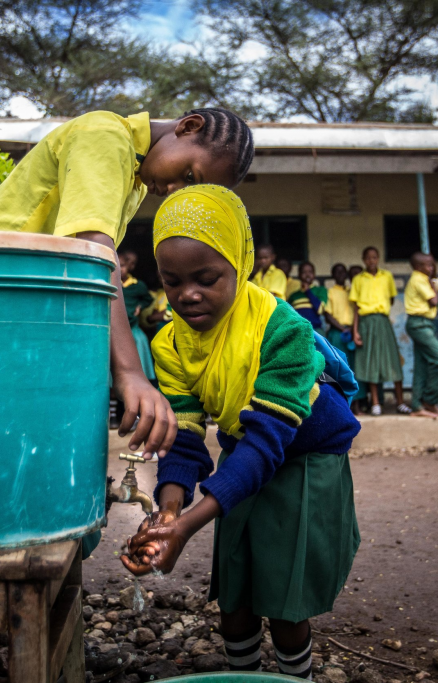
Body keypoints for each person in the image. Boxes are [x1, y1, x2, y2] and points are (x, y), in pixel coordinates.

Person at [121, 185, 361, 680]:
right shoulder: (170, 343)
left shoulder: (283, 329)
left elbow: (270, 437)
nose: (188, 294)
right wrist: (168, 512)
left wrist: (189, 525)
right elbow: (185, 437)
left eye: (207, 278)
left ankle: (297, 677)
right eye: (172, 281)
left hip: (305, 456)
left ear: (241, 265)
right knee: (235, 593)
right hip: (244, 448)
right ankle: (241, 674)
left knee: (285, 600)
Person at [0, 106, 255, 459]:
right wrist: (131, 372)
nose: (175, 190)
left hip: (18, 304)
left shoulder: (136, 175)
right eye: (189, 176)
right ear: (188, 127)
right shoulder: (106, 135)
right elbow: (95, 252)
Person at [350, 247, 406, 416]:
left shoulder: (386, 276)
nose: (371, 261)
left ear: (378, 258)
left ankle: (400, 402)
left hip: (382, 321)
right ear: (363, 259)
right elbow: (356, 307)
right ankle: (375, 403)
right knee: (371, 362)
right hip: (366, 323)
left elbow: (391, 298)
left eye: (374, 257)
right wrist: (355, 331)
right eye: (368, 258)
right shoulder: (358, 279)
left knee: (393, 360)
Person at [404, 252, 438, 418]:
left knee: (421, 366)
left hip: (423, 324)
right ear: (417, 267)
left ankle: (416, 406)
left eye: (432, 265)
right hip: (419, 324)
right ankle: (429, 400)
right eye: (428, 265)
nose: (431, 268)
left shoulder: (422, 278)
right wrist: (433, 285)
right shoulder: (418, 279)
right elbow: (434, 301)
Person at [323, 263, 367, 413]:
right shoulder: (330, 292)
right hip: (338, 333)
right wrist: (343, 329)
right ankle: (342, 406)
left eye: (343, 272)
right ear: (333, 275)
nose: (341, 274)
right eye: (338, 272)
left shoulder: (351, 291)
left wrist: (352, 330)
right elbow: (327, 315)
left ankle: (357, 405)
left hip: (353, 334)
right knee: (339, 369)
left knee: (355, 368)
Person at [118, 249, 157, 383]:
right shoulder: (112, 283)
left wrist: (139, 306)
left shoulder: (137, 285)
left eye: (122, 266)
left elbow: (149, 299)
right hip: (115, 330)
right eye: (117, 265)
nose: (119, 269)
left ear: (130, 267)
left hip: (132, 328)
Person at [287, 261, 327, 331]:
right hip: (299, 331)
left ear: (314, 274)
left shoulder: (320, 290)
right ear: (299, 275)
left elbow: (320, 310)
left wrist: (307, 291)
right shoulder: (294, 296)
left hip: (316, 330)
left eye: (310, 272)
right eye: (304, 272)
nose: (307, 275)